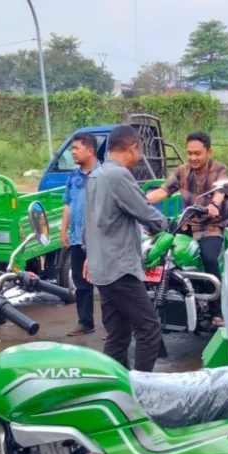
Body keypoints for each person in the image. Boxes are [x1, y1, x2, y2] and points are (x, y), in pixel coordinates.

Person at [82, 124, 169, 371]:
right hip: (119, 268)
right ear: (132, 148)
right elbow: (144, 211)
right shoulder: (118, 176)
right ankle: (142, 388)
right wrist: (169, 224)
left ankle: (115, 386)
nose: (139, 156)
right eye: (139, 150)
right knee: (149, 328)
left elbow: (88, 221)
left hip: (103, 267)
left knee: (118, 333)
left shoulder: (96, 175)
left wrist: (90, 254)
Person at [147, 130, 228, 325]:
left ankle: (218, 312)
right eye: (189, 153)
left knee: (209, 258)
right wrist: (140, 201)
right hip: (187, 224)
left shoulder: (219, 169)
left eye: (197, 153)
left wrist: (214, 205)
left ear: (209, 152)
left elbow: (220, 191)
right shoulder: (182, 171)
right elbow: (163, 191)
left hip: (211, 226)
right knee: (161, 251)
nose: (192, 157)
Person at [59, 132, 100, 336]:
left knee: (106, 283)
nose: (73, 153)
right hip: (77, 239)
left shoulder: (102, 175)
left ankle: (115, 327)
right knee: (80, 282)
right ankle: (85, 322)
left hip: (98, 240)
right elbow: (68, 203)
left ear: (90, 150)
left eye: (76, 148)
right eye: (72, 149)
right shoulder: (73, 176)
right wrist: (63, 229)